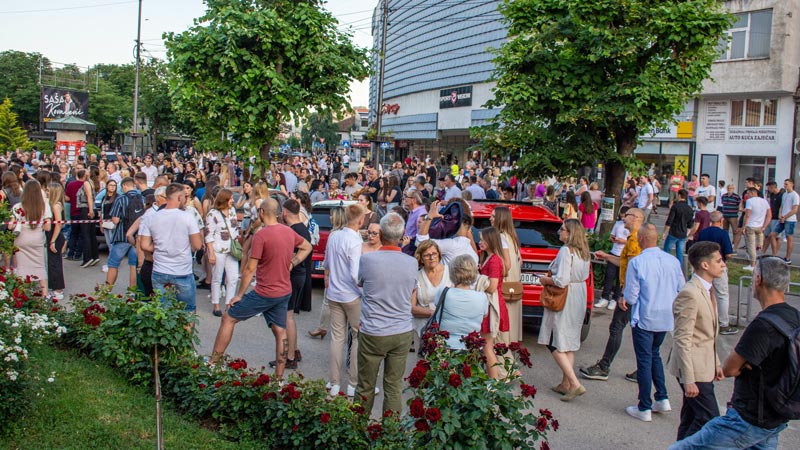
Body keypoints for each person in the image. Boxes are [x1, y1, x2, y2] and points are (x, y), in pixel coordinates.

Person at [668, 257, 797, 450]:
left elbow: (730, 368)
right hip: (775, 418)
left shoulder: (763, 325)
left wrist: (745, 363)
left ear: (759, 279)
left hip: (747, 419)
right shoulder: (794, 316)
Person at [208, 198, 312, 380]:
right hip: (283, 291)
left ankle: (213, 363)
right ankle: (279, 378)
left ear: (262, 212)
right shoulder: (288, 231)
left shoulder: (261, 235)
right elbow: (307, 246)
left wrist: (239, 295)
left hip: (264, 291)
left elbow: (250, 268)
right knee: (280, 331)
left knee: (228, 317)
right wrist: (293, 263)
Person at [355, 212, 417, 413]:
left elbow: (360, 283)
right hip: (401, 331)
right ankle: (390, 430)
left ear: (380, 233)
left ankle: (357, 427)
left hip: (373, 330)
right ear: (402, 234)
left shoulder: (368, 260)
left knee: (365, 385)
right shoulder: (411, 263)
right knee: (393, 386)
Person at [623, 224, 685, 422]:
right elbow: (681, 287)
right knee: (654, 354)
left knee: (644, 360)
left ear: (641, 239)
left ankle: (644, 405)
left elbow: (632, 295)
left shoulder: (637, 262)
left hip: (645, 316)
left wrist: (625, 299)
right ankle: (662, 396)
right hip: (665, 316)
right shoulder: (672, 261)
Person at [668, 242, 726, 441]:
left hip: (704, 365)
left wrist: (716, 363)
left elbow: (706, 336)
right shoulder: (690, 293)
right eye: (719, 261)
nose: (723, 264)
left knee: (692, 416)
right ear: (705, 265)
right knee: (710, 420)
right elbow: (682, 338)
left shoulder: (707, 290)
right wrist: (689, 379)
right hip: (693, 369)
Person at [583, 208, 644, 382]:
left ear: (636, 218)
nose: (624, 218)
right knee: (638, 331)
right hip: (634, 291)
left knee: (617, 327)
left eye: (627, 215)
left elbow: (632, 268)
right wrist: (607, 257)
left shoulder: (634, 240)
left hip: (630, 292)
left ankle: (604, 366)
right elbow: (624, 262)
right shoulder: (634, 238)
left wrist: (624, 294)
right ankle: (643, 369)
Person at [537, 219, 591, 401]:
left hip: (565, 296)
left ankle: (574, 383)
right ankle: (565, 383)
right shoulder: (584, 251)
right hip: (578, 294)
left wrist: (545, 280)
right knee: (569, 339)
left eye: (563, 229)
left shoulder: (566, 251)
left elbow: (561, 280)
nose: (560, 232)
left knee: (554, 339)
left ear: (570, 233)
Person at [139, 183, 203, 312]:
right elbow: (197, 245)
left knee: (162, 311)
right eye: (184, 197)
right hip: (182, 270)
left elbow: (144, 245)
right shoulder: (187, 217)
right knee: (188, 310)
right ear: (179, 197)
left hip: (159, 269)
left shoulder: (152, 217)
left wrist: (160, 247)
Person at [323, 204, 365, 397]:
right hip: (352, 295)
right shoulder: (354, 241)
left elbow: (327, 263)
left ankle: (334, 382)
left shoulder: (334, 236)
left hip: (334, 293)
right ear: (360, 221)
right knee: (357, 337)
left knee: (337, 338)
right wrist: (364, 291)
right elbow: (356, 275)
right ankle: (353, 383)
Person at [268, 199, 312, 370]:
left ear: (285, 212)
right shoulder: (302, 228)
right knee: (290, 315)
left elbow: (289, 255)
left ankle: (290, 357)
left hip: (293, 276)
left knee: (288, 317)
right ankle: (294, 350)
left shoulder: (293, 230)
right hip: (300, 275)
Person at [695, 211, 737, 335]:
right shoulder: (723, 234)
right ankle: (723, 324)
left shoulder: (703, 232)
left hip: (703, 266)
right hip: (718, 266)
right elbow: (728, 254)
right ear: (721, 220)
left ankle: (703, 321)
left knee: (704, 293)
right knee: (722, 295)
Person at [308, 206, 347, 340]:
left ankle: (323, 328)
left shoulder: (334, 235)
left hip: (334, 273)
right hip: (344, 274)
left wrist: (326, 275)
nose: (330, 218)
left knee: (327, 302)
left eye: (331, 215)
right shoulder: (350, 234)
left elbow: (328, 258)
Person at [477, 227, 509, 380]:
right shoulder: (488, 257)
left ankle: (494, 381)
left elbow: (492, 286)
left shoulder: (494, 260)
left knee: (487, 347)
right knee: (489, 345)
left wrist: (479, 280)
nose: (480, 242)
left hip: (492, 305)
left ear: (491, 240)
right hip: (489, 304)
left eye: (483, 239)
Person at [438, 254, 489, 349]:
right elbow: (484, 315)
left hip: (446, 345)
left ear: (452, 272)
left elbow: (437, 306)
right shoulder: (482, 297)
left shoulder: (443, 292)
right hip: (472, 345)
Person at [12, 179, 52, 297]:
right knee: (40, 266)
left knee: (21, 267)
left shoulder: (18, 206)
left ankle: (22, 294)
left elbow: (10, 225)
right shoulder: (44, 206)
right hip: (37, 239)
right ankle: (44, 294)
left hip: (21, 240)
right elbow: (48, 227)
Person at [205, 188, 240, 317]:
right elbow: (209, 235)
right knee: (217, 277)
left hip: (232, 249)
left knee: (233, 278)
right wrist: (211, 253)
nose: (232, 200)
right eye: (231, 198)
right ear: (224, 199)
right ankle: (216, 305)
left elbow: (235, 229)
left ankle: (228, 305)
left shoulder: (232, 211)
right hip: (218, 249)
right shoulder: (212, 214)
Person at [410, 240, 451, 348]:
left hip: (448, 328)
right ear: (421, 258)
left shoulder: (450, 272)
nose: (432, 257)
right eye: (427, 255)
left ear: (439, 254)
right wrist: (434, 313)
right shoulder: (416, 276)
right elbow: (411, 308)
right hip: (423, 329)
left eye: (434, 253)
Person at [491, 206, 523, 343]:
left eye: (493, 216)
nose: (490, 218)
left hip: (503, 285)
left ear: (500, 219)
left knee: (502, 324)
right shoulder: (512, 238)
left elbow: (504, 264)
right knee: (512, 321)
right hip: (514, 286)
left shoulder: (500, 237)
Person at [106, 177, 144, 289]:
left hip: (122, 235)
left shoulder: (121, 199)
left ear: (124, 186)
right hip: (137, 236)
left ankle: (106, 291)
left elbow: (115, 220)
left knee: (113, 264)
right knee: (133, 265)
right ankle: (132, 291)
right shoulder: (142, 198)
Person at [595, 206, 630, 310]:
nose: (623, 219)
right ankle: (604, 297)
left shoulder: (631, 227)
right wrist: (613, 239)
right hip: (614, 252)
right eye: (621, 216)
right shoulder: (618, 224)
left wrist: (623, 241)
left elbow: (633, 241)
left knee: (620, 279)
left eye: (624, 217)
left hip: (623, 254)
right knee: (609, 276)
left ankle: (615, 298)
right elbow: (612, 235)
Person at [769, 179, 799, 263]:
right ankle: (774, 255)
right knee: (772, 234)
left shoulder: (795, 195)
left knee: (789, 237)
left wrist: (785, 217)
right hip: (782, 218)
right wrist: (781, 215)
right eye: (784, 184)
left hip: (790, 219)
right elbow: (782, 206)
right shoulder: (785, 194)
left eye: (787, 184)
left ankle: (788, 258)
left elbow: (795, 209)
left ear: (792, 184)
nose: (785, 186)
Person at [662, 189, 694, 269]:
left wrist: (665, 232)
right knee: (679, 253)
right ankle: (679, 269)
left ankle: (665, 266)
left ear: (679, 195)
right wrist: (687, 234)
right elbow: (690, 224)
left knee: (666, 250)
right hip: (683, 233)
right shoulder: (690, 209)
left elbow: (669, 221)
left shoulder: (675, 206)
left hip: (674, 232)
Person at [741, 187, 771, 271]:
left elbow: (747, 215)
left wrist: (744, 226)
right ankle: (758, 261)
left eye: (748, 193)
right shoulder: (764, 201)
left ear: (753, 193)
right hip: (760, 226)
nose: (747, 195)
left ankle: (752, 264)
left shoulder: (750, 201)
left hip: (751, 225)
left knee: (751, 245)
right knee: (759, 244)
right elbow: (769, 215)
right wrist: (764, 226)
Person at [75, 168, 100, 267]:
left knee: (85, 234)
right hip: (90, 208)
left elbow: (89, 196)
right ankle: (94, 255)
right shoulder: (92, 183)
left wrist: (90, 210)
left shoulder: (86, 183)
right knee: (91, 233)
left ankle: (87, 257)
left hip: (86, 209)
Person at [46, 182, 66, 300]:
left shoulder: (55, 205)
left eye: (48, 190)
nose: (47, 192)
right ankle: (55, 287)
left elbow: (58, 224)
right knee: (53, 262)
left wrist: (52, 240)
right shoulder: (57, 204)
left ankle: (58, 289)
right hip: (55, 236)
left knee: (55, 263)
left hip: (55, 236)